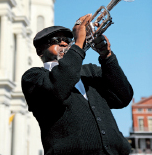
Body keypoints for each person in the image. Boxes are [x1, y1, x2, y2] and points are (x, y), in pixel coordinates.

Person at [21, 14, 133, 155]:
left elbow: (123, 97)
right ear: (40, 51)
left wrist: (107, 56)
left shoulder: (90, 71)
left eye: (67, 40)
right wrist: (78, 44)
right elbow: (57, 88)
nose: (64, 44)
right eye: (56, 40)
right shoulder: (33, 77)